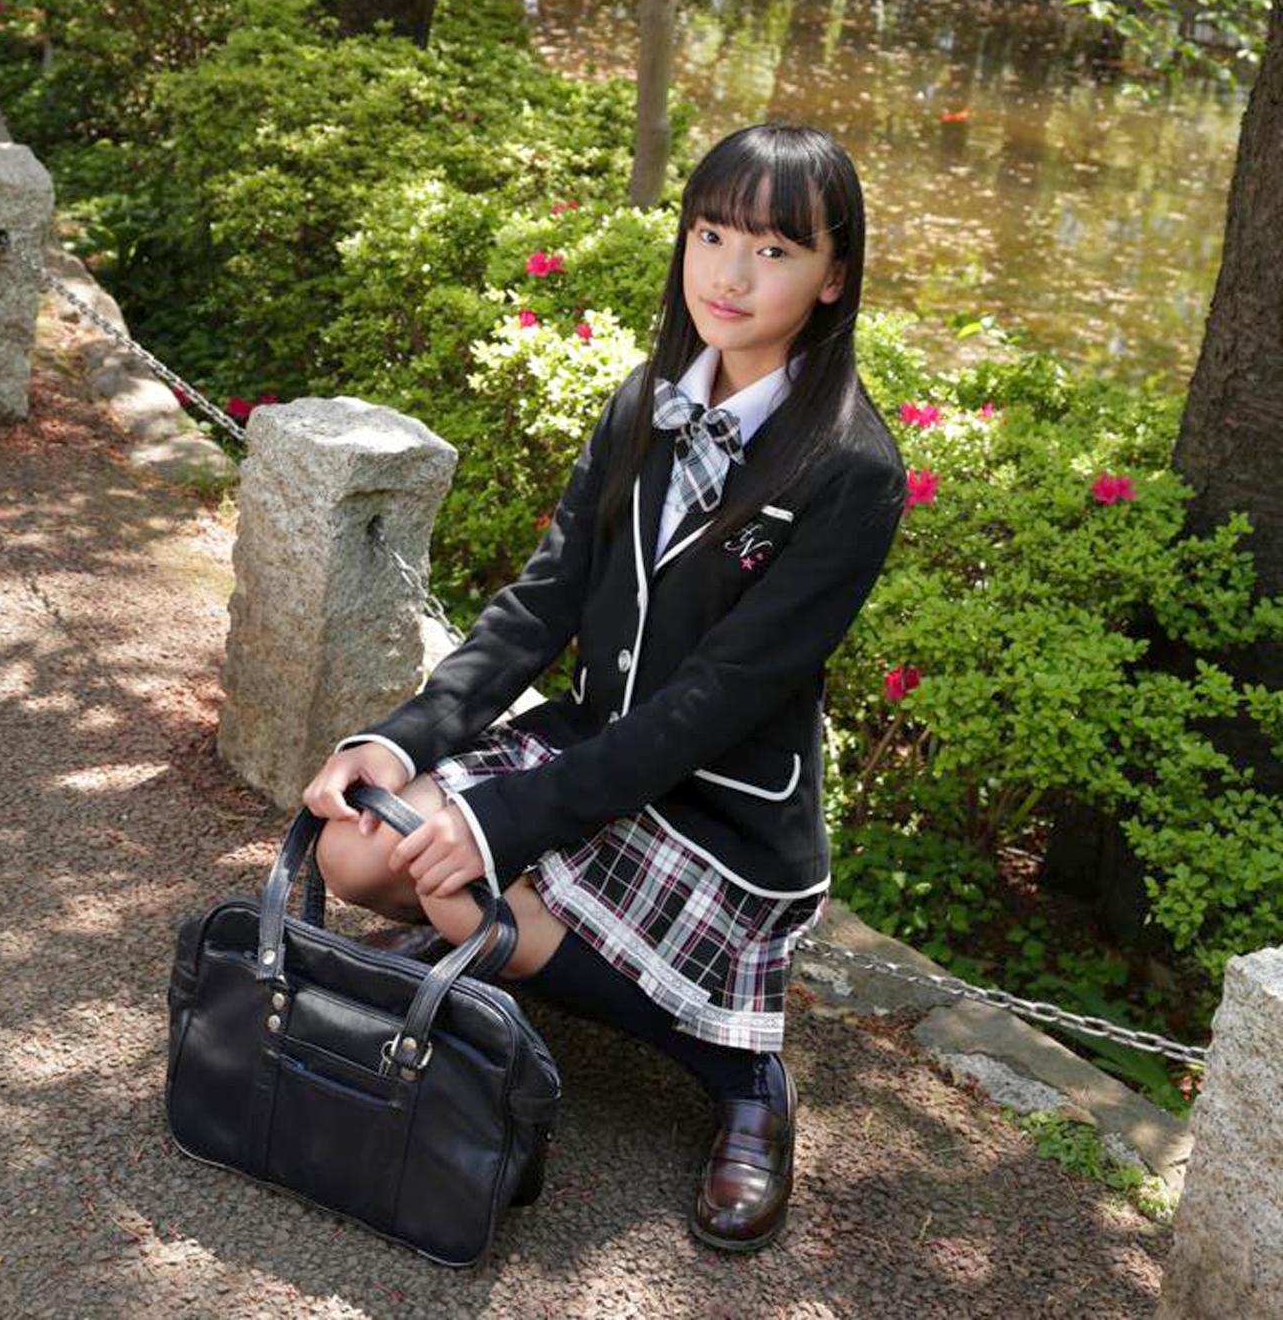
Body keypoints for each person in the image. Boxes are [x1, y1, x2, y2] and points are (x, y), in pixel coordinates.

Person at [303, 120, 908, 1252]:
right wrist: (399, 740)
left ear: (834, 277)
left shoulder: (852, 468)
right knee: (355, 851)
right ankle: (512, 948)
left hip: (719, 804)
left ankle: (740, 1070)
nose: (730, 274)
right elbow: (541, 602)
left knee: (459, 890)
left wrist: (498, 823)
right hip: (594, 747)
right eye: (711, 234)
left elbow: (716, 701)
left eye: (775, 250)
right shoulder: (646, 402)